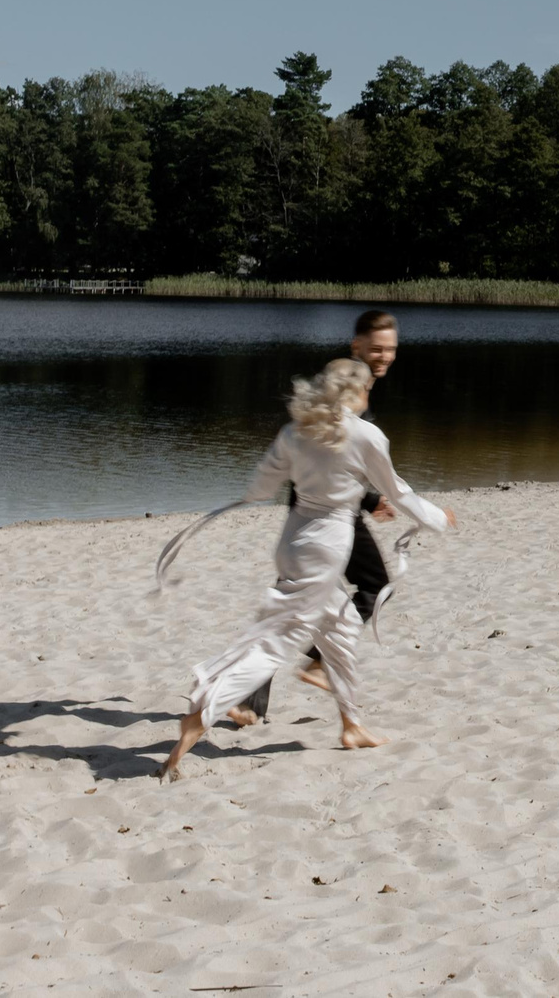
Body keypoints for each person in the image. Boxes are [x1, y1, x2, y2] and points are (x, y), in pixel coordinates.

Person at [162, 357, 454, 780]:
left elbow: (262, 485)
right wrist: (439, 519)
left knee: (341, 627)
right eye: (367, 389)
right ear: (355, 392)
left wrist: (252, 494)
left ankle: (352, 726)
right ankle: (200, 715)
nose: (369, 395)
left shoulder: (295, 430)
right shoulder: (366, 435)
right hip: (326, 548)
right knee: (276, 642)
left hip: (292, 541)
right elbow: (399, 492)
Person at [234, 309, 401, 722]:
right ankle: (315, 664)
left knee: (293, 604)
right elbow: (319, 452)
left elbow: (342, 457)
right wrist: (369, 500)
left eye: (390, 349)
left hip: (321, 514)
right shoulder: (343, 382)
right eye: (376, 349)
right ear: (357, 346)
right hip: (324, 516)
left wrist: (368, 500)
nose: (384, 356)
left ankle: (250, 697)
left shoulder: (357, 385)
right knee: (375, 585)